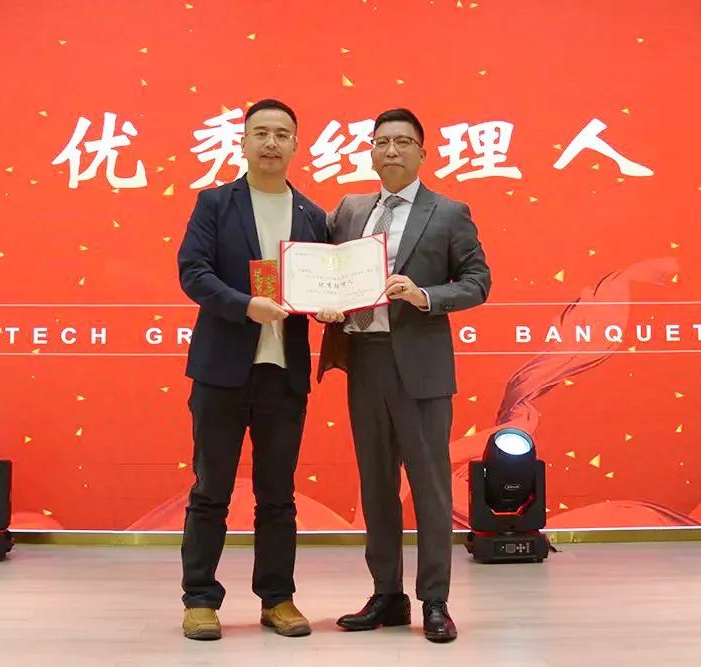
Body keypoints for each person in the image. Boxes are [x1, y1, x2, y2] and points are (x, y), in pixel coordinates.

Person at [317, 108, 491, 643]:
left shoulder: (449, 213)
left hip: (420, 367)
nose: (391, 151)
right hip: (364, 359)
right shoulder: (348, 211)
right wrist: (322, 303)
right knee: (376, 486)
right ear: (371, 152)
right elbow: (322, 271)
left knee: (430, 487)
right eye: (381, 142)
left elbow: (478, 281)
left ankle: (434, 600)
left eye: (402, 142)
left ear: (421, 152)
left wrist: (424, 296)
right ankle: (386, 595)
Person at [177, 98, 327, 640]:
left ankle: (277, 598)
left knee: (278, 496)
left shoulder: (313, 216)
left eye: (281, 134)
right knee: (210, 491)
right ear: (242, 142)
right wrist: (245, 305)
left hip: (283, 375)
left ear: (295, 145)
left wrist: (333, 305)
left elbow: (326, 281)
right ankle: (200, 600)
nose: (270, 142)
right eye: (260, 132)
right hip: (222, 371)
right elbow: (193, 272)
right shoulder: (215, 203)